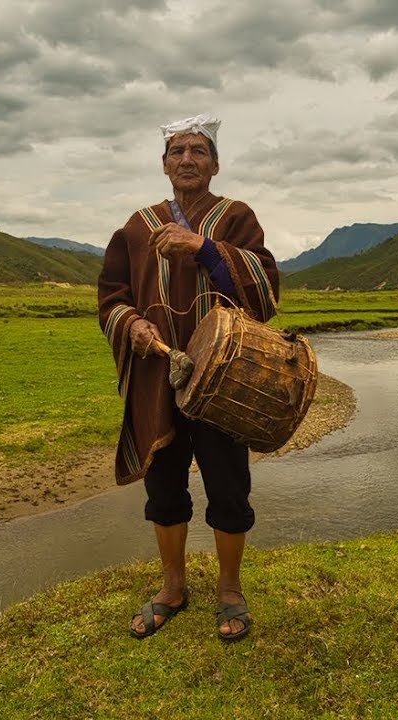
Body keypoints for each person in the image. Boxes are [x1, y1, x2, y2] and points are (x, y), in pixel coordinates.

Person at [97, 113, 280, 641]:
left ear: (215, 164)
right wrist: (129, 323)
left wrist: (203, 249)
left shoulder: (236, 218)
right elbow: (111, 295)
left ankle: (229, 590)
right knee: (164, 484)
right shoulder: (137, 227)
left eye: (198, 151)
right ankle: (172, 588)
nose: (187, 159)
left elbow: (264, 289)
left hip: (224, 380)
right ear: (163, 164)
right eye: (177, 151)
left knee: (228, 485)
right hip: (158, 376)